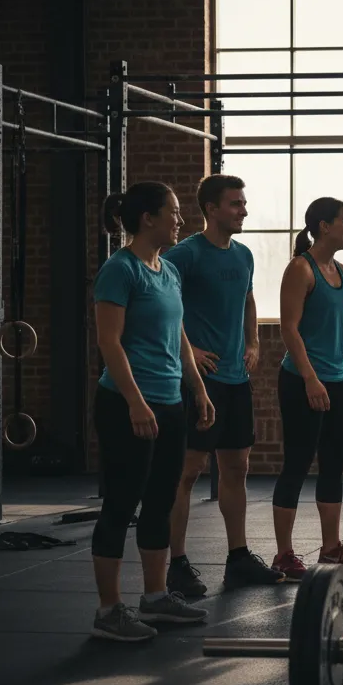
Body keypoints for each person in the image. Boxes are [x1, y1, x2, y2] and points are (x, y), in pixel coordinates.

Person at [91, 182, 213, 642]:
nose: (180, 220)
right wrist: (135, 402)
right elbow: (109, 342)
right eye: (174, 213)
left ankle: (156, 597)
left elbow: (178, 335)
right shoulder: (119, 270)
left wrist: (198, 389)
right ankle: (108, 611)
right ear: (149, 219)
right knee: (121, 504)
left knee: (160, 502)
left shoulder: (166, 270)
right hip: (128, 404)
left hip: (169, 401)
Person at [162, 174, 285, 597]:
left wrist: (252, 341)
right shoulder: (184, 255)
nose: (244, 210)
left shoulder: (244, 254)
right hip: (200, 381)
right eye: (235, 203)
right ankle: (175, 563)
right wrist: (189, 350)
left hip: (235, 379)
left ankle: (238, 557)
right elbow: (163, 307)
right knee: (188, 471)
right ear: (211, 209)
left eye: (244, 203)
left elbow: (249, 298)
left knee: (237, 467)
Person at [271, 197, 343, 580]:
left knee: (333, 466)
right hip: (302, 382)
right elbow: (289, 329)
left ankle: (331, 548)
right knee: (297, 465)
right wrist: (311, 378)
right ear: (323, 225)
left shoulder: (342, 271)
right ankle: (284, 554)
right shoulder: (301, 269)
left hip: (336, 382)